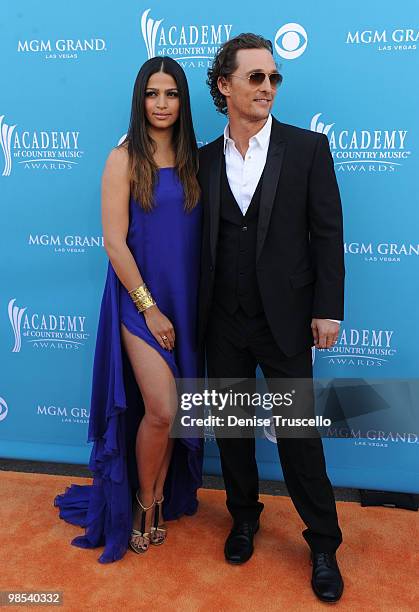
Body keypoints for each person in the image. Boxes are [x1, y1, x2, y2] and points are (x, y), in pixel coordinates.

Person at [197, 34, 345, 602]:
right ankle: (243, 517)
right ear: (225, 86)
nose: (267, 87)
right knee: (231, 431)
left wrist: (327, 308)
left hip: (285, 320)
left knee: (298, 437)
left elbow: (327, 234)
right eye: (256, 77)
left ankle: (325, 542)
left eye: (274, 78)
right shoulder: (205, 159)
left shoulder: (307, 149)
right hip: (222, 320)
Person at [54, 56, 203, 563]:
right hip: (139, 301)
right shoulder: (122, 159)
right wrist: (151, 308)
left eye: (171, 94)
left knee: (175, 414)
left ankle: (159, 497)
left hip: (187, 302)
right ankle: (141, 503)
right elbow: (114, 244)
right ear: (140, 100)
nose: (161, 104)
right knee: (161, 409)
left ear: (183, 102)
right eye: (152, 94)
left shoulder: (196, 160)